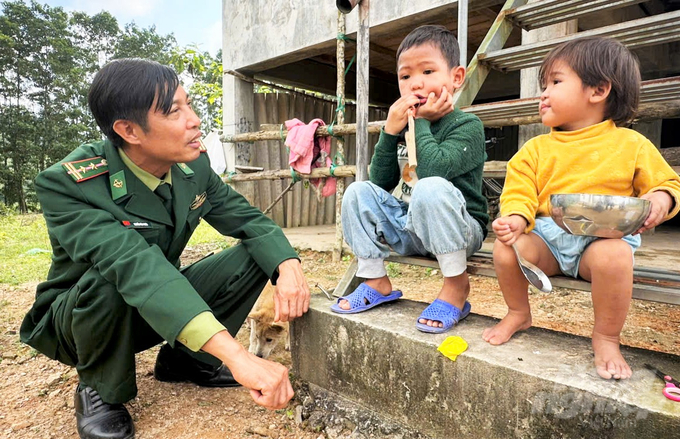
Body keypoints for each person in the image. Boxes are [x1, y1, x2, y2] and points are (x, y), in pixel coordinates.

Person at [20, 58, 311, 439]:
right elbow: (135, 266)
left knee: (258, 255)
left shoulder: (192, 166)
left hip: (156, 306)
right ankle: (100, 386)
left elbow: (249, 221)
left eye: (188, 104)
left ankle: (187, 361)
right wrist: (238, 356)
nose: (194, 120)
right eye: (175, 111)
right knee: (109, 276)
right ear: (128, 130)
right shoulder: (70, 184)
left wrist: (288, 266)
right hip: (82, 318)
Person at [483, 37, 680, 380]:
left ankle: (606, 336)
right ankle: (518, 311)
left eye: (555, 82)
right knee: (506, 248)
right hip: (548, 242)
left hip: (602, 243)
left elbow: (668, 184)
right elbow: (519, 191)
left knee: (615, 256)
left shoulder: (631, 144)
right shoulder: (535, 148)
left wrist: (660, 201)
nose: (543, 93)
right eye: (543, 85)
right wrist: (515, 217)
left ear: (598, 90)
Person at [332, 25, 489, 334]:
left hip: (460, 231)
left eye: (428, 71)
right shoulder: (407, 125)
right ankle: (376, 280)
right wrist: (390, 132)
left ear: (456, 78)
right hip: (411, 227)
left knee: (430, 188)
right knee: (358, 191)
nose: (415, 82)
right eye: (405, 76)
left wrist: (423, 124)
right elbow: (379, 182)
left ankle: (456, 286)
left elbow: (434, 172)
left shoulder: (467, 125)